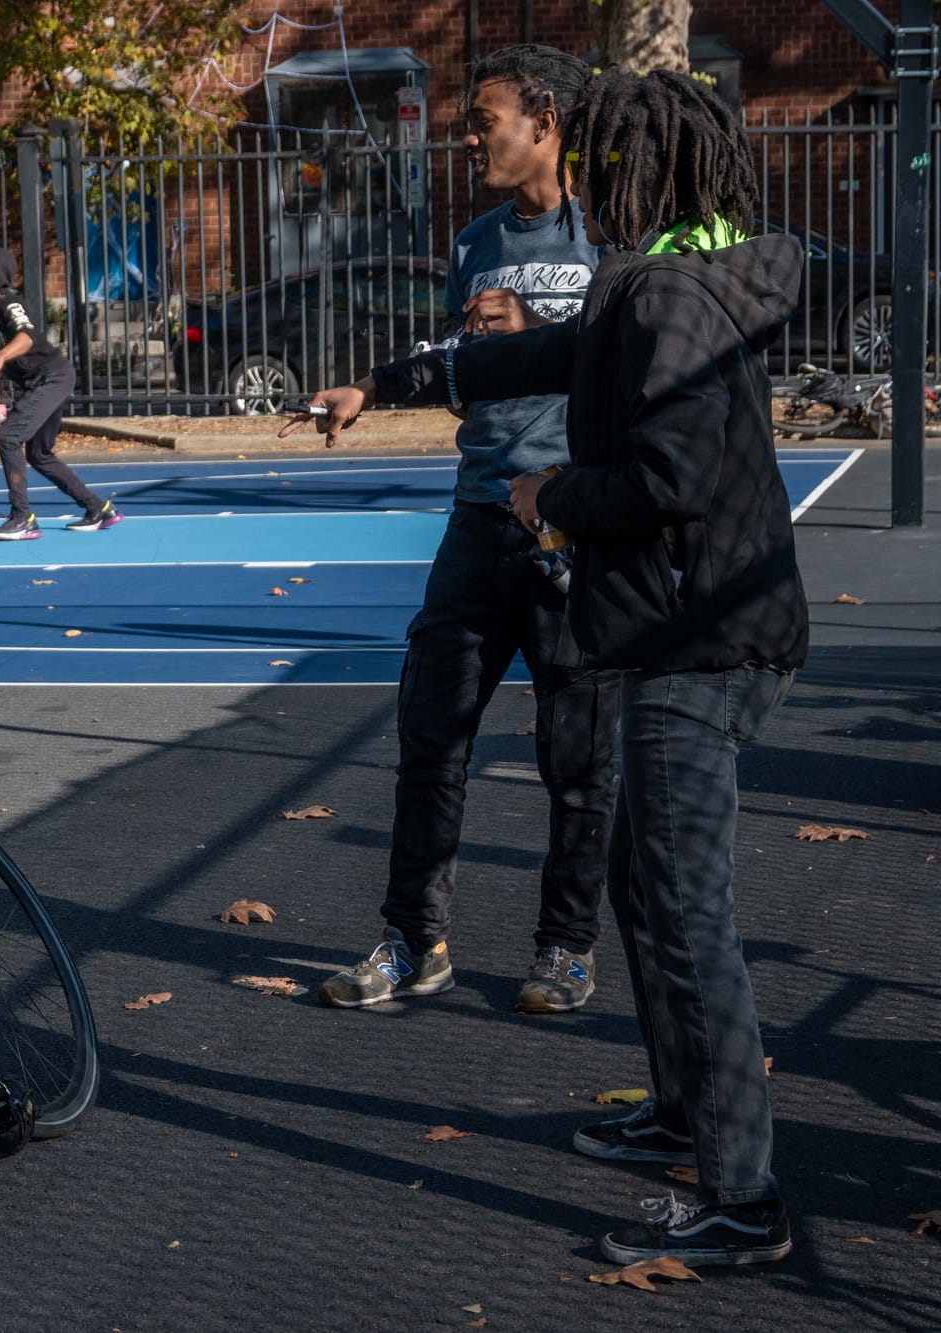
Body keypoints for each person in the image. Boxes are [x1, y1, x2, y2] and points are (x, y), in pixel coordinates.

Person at [291, 69, 806, 1268]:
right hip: (690, 627)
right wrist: (405, 380)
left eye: (611, 156)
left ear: (636, 165)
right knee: (645, 889)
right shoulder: (669, 281)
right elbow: (541, 359)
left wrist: (549, 494)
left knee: (684, 914)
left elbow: (669, 480)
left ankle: (742, 1195)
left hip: (698, 640)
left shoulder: (671, 296)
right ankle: (680, 1113)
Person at [313, 45, 618, 1015]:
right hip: (476, 523)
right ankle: (413, 941)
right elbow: (453, 357)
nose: (467, 134)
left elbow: (639, 374)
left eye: (482, 117)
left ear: (544, 119)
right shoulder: (476, 239)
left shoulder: (613, 241)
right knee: (429, 736)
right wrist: (372, 386)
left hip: (571, 531)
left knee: (573, 757)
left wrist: (531, 326)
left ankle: (565, 947)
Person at [0, 244, 120, 540]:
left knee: (8, 437)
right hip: (47, 379)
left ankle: (22, 518)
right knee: (38, 454)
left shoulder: (5, 300)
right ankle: (98, 509)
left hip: (51, 377)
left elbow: (26, 336)